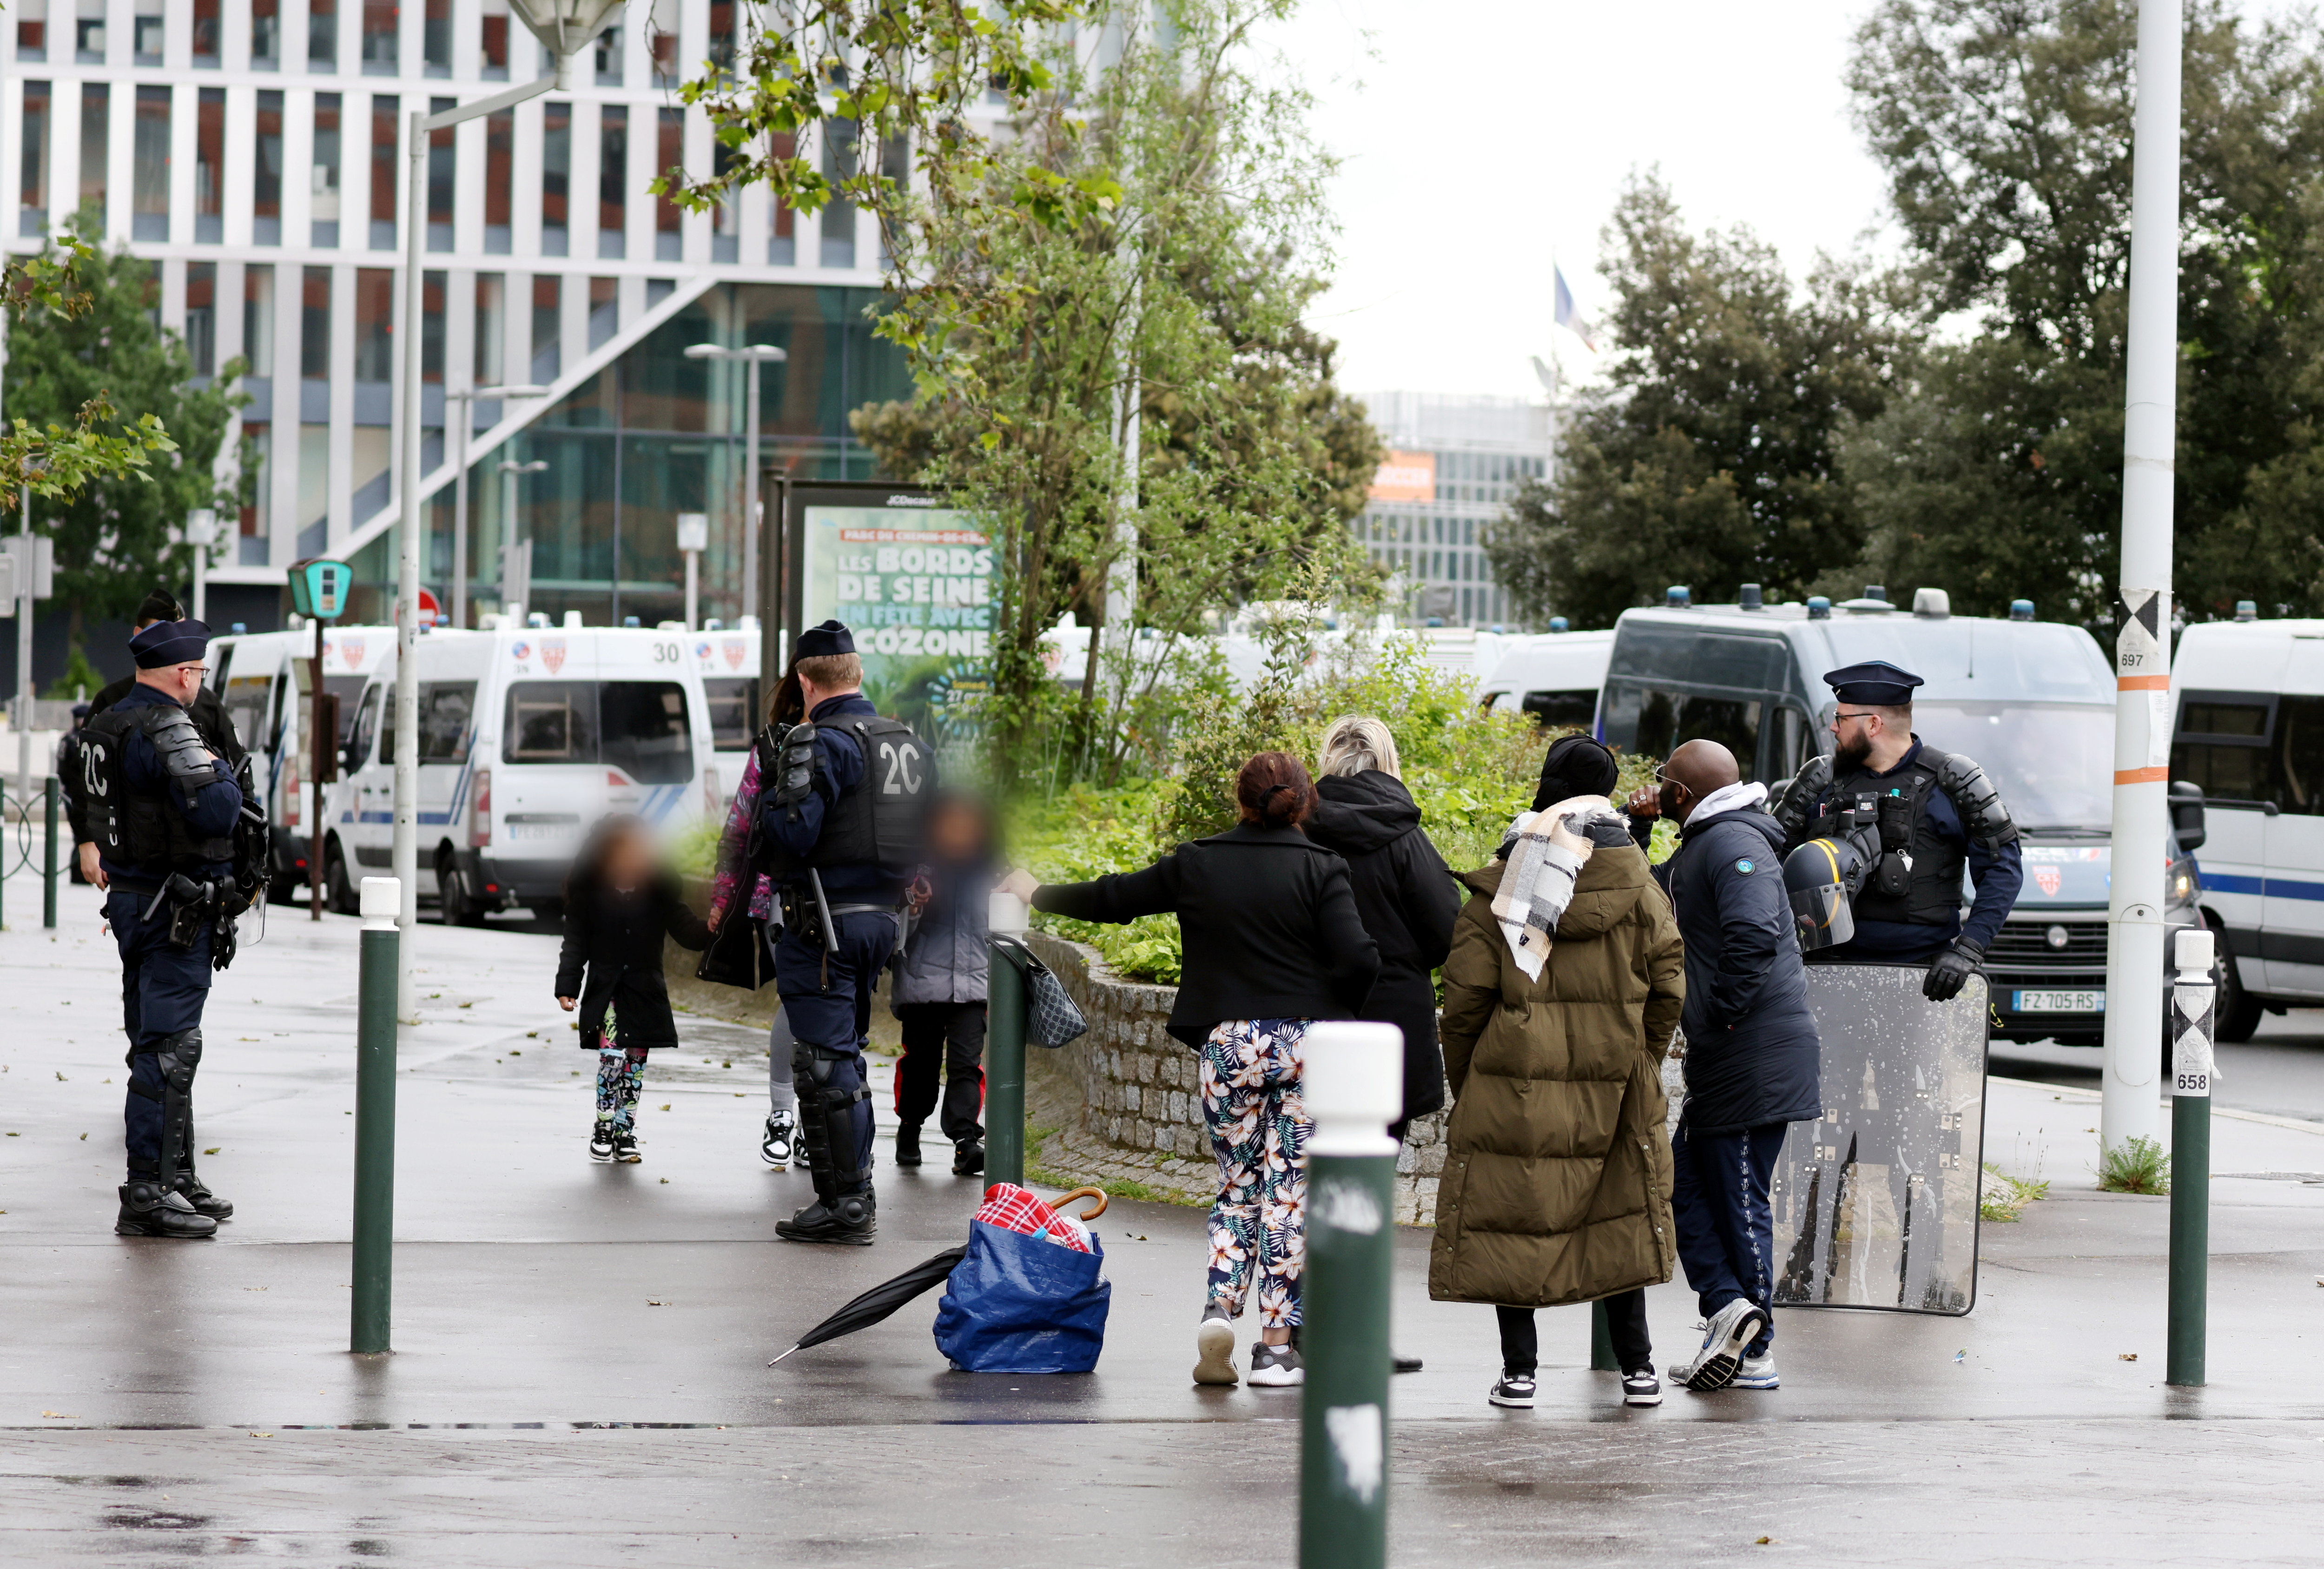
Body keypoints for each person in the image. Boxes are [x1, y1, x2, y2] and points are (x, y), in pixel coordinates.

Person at [1000, 752, 1380, 1391]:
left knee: (1237, 1186)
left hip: (1229, 1044)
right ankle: (1277, 1349)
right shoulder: (1324, 868)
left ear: (1241, 801)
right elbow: (1359, 958)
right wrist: (1336, 1008)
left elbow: (1115, 899)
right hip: (1307, 1048)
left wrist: (1035, 891)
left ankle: (1219, 1312)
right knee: (1289, 1194)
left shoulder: (1199, 862)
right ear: (1305, 800)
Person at [1428, 748, 1685, 1410]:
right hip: (1617, 1082)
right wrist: (1638, 1063)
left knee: (1517, 1214)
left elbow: (1463, 1005)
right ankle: (1639, 1371)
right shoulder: (1642, 889)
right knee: (1618, 1216)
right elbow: (1668, 988)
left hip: (1513, 1082)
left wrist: (1476, 1081)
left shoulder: (1504, 887)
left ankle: (1521, 1374)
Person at [1631, 738, 1821, 1392]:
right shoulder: (1701, 845)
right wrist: (1638, 828)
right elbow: (1646, 894)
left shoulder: (1736, 843)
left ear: (1685, 795)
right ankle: (1729, 1311)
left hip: (1754, 1053)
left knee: (1740, 1199)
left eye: (1664, 783)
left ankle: (1758, 1347)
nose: (1657, 788)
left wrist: (1720, 1019)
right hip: (1735, 1054)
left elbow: (1754, 933)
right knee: (1686, 1184)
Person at [753, 621, 933, 1245]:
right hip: (885, 920)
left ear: (806, 680)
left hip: (825, 923)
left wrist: (775, 785)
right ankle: (849, 1194)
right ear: (857, 673)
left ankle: (848, 1204)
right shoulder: (905, 742)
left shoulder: (822, 742)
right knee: (844, 1058)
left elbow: (793, 835)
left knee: (828, 1066)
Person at [80, 619, 247, 1239]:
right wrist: (221, 766)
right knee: (168, 1050)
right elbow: (219, 809)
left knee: (165, 1044)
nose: (200, 683)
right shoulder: (169, 726)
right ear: (184, 673)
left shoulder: (108, 723)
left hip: (130, 901)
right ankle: (147, 1191)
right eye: (200, 673)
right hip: (172, 909)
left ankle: (176, 1178)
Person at [1767, 660, 2023, 999]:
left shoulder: (1954, 782)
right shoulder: (1819, 781)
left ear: (1874, 724)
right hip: (1826, 974)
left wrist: (1968, 951)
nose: (1833, 728)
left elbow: (2003, 867)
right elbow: (1769, 860)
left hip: (1923, 980)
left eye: (1841, 718)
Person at [1304, 716, 1460, 1143]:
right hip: (1393, 1020)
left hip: (1311, 1015)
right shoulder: (1407, 839)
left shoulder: (1300, 835)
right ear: (1388, 761)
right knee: (1373, 1161)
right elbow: (1447, 931)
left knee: (1302, 1169)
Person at [555, 814, 712, 1162]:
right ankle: (605, 1124)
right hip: (607, 990)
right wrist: (567, 985)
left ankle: (626, 1132)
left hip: (644, 992)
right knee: (611, 1058)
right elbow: (575, 945)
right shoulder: (589, 898)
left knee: (634, 1066)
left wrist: (713, 927)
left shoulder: (659, 896)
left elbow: (688, 933)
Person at [708, 668, 807, 1169]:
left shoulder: (856, 737)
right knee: (796, 999)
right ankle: (784, 1115)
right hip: (779, 895)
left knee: (840, 1007)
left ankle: (819, 1119)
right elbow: (740, 824)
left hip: (848, 898)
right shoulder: (772, 748)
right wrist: (723, 897)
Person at [71, 590, 233, 888]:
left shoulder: (207, 704)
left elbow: (238, 769)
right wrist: (87, 841)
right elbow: (86, 777)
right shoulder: (113, 703)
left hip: (177, 874)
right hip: (151, 874)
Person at [889, 790, 994, 1176]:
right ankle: (909, 1128)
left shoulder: (990, 865)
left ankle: (966, 1142)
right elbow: (896, 926)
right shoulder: (916, 862)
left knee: (967, 1064)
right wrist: (914, 904)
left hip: (972, 984)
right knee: (922, 1065)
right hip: (922, 983)